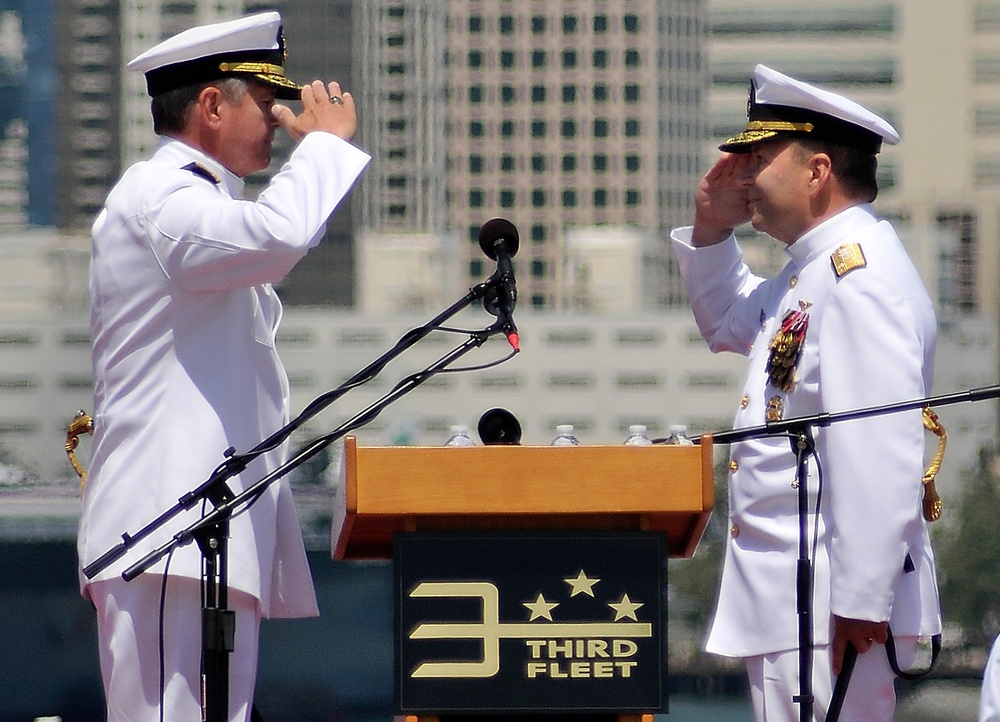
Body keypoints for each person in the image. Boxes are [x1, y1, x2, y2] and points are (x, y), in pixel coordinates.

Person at [76, 11, 370, 722]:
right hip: (165, 533)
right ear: (212, 105)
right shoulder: (162, 197)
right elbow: (279, 236)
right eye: (267, 103)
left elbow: (268, 239)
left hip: (201, 530)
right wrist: (325, 150)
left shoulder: (198, 200)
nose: (281, 119)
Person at [671, 65, 941, 721]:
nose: (741, 177)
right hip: (795, 600)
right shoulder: (813, 271)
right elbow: (727, 323)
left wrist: (860, 602)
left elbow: (876, 449)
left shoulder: (858, 279)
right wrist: (711, 229)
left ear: (817, 172)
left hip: (829, 603)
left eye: (759, 160)